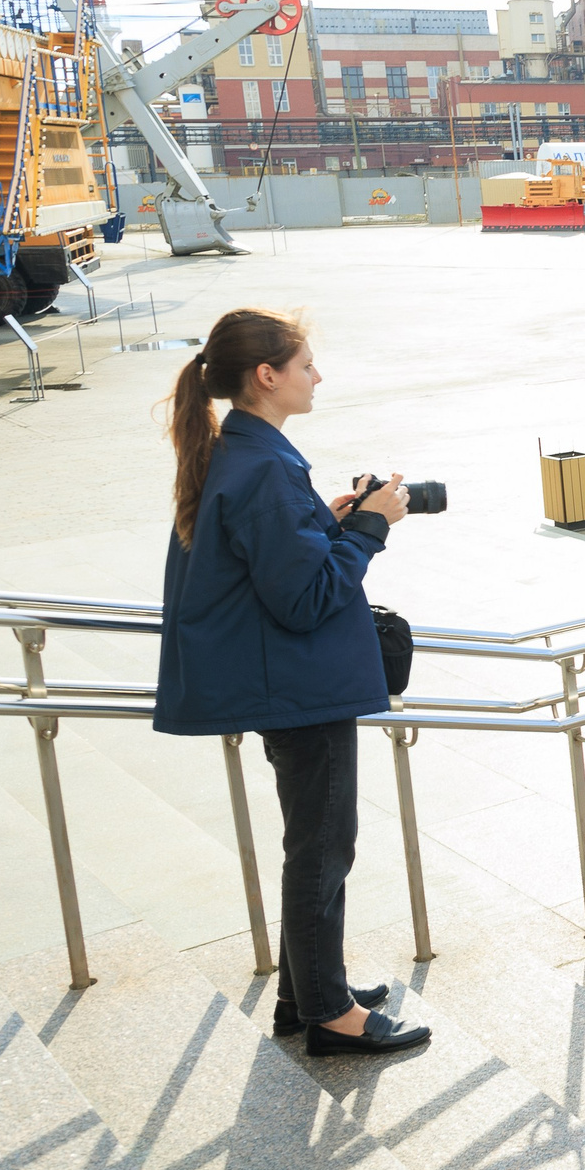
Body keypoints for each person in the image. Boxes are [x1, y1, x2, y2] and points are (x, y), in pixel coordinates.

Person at [154, 308, 431, 1058]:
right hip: (300, 689)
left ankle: (305, 991)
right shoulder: (264, 467)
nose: (318, 375)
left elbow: (277, 561)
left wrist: (329, 522)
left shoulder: (238, 454)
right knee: (322, 845)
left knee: (313, 839)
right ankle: (330, 1014)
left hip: (283, 683)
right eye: (307, 364)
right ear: (267, 375)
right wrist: (371, 527)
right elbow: (304, 598)